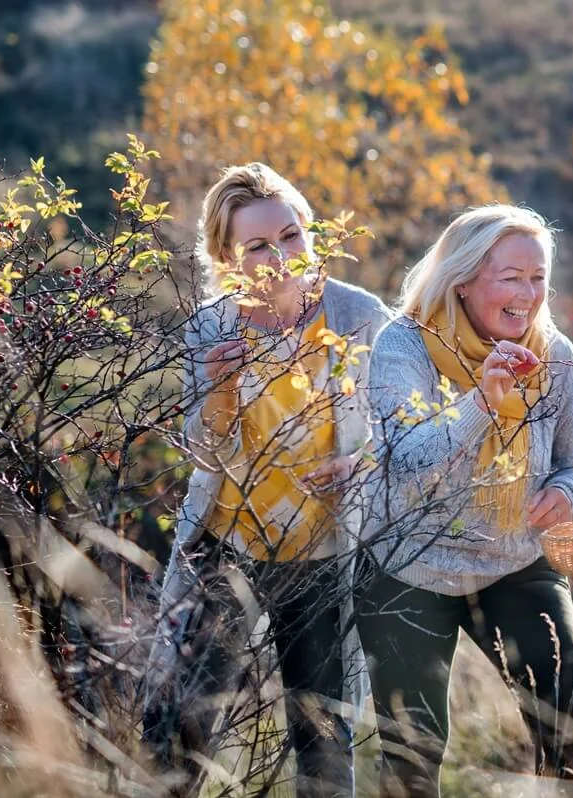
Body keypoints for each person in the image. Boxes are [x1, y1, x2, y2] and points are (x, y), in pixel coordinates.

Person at [141, 163, 391, 798]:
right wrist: (222, 387)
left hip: (321, 552)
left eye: (290, 236)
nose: (279, 255)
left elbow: (400, 432)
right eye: (257, 246)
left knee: (325, 747)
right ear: (229, 258)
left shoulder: (359, 316)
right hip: (226, 550)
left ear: (310, 234)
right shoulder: (210, 327)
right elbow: (203, 452)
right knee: (180, 732)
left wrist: (358, 464)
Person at [356, 204, 573, 797]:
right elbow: (402, 459)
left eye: (539, 277)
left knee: (572, 724)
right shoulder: (404, 346)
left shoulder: (554, 353)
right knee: (412, 754)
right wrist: (482, 403)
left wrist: (567, 492)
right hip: (406, 569)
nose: (529, 293)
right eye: (512, 277)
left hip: (515, 564)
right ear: (463, 280)